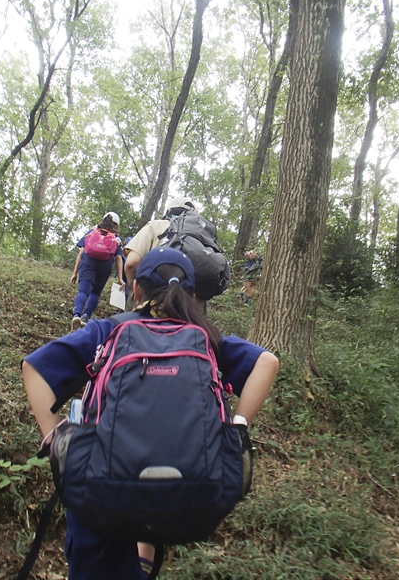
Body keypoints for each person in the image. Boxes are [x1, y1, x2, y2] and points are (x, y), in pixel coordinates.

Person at [22, 247, 278, 580]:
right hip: (184, 490)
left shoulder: (108, 330)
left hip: (102, 483)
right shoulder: (206, 339)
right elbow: (267, 362)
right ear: (192, 295)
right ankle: (143, 557)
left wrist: (56, 437)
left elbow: (35, 368)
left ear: (137, 290)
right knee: (151, 527)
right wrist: (237, 428)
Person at [123, 196, 196, 288]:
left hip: (152, 293)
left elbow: (131, 263)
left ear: (168, 211)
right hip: (190, 299)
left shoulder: (155, 226)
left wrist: (132, 286)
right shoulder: (201, 236)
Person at [70, 212, 125, 331]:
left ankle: (76, 315)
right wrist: (120, 278)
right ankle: (85, 317)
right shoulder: (116, 238)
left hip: (88, 262)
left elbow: (81, 253)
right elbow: (119, 258)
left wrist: (75, 272)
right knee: (95, 293)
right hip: (105, 266)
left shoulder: (92, 232)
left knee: (83, 291)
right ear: (115, 225)